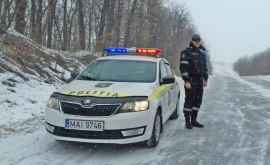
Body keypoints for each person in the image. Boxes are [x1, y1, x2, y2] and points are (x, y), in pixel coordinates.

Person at [179, 34, 208, 129]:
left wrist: (205, 79)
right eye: (195, 41)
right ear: (192, 41)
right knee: (189, 101)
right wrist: (186, 80)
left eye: (198, 41)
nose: (197, 42)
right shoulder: (186, 52)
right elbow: (183, 68)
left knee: (198, 101)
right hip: (191, 80)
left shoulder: (202, 53)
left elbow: (204, 68)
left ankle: (194, 120)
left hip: (199, 80)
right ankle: (187, 122)